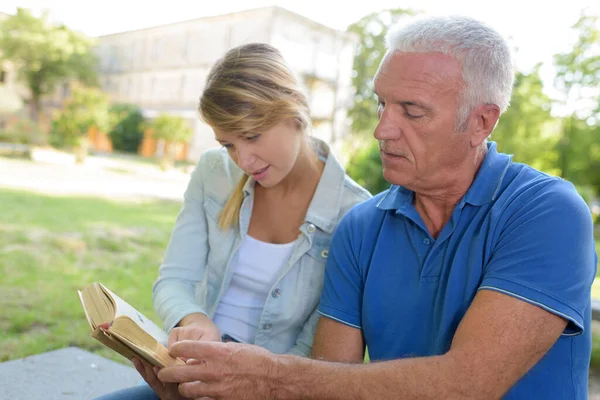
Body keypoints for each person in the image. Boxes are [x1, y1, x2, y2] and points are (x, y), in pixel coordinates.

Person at [155, 15, 598, 399]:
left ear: (481, 121)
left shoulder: (547, 212)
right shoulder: (362, 226)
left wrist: (269, 376)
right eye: (381, 103)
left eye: (412, 110)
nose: (382, 129)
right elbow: (325, 386)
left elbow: (466, 386)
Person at [94, 42, 371, 400]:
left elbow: (316, 358)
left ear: (295, 111)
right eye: (228, 144)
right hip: (194, 380)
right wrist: (194, 321)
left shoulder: (353, 213)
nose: (243, 159)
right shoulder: (214, 171)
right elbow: (174, 280)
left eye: (252, 136)